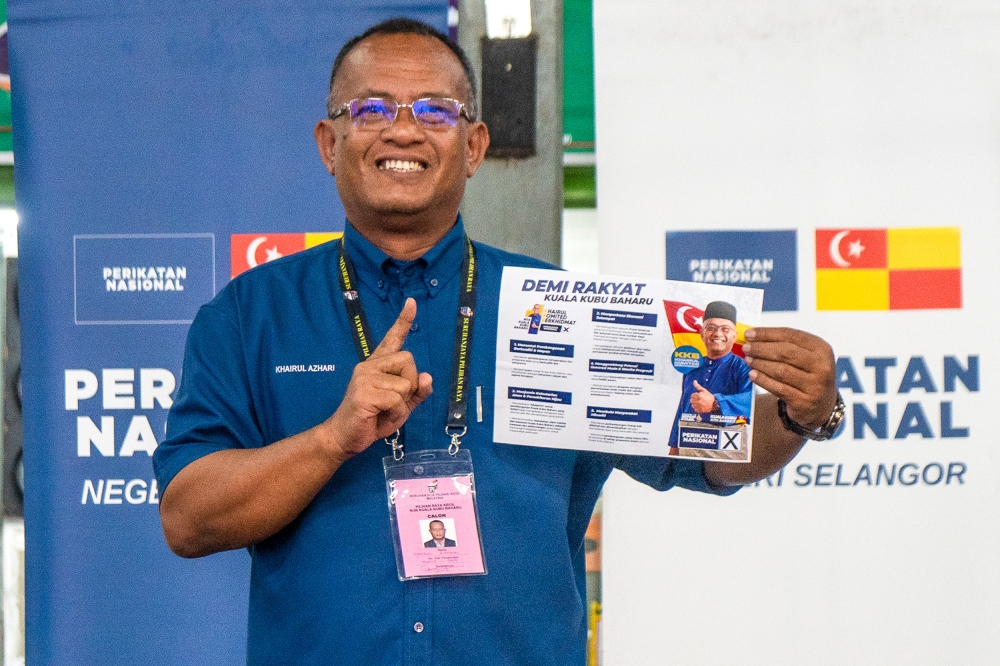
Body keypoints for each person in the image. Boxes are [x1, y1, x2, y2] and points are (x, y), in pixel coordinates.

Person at [153, 17, 839, 666]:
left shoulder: (573, 312)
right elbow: (188, 518)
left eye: (434, 110)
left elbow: (713, 459)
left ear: (474, 145)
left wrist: (802, 415)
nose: (403, 131)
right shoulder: (248, 315)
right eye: (369, 110)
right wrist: (332, 438)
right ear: (329, 145)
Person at [668, 300, 752, 452]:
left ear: (734, 336)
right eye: (711, 328)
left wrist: (716, 403)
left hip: (724, 452)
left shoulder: (744, 368)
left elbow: (751, 403)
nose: (718, 333)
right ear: (702, 334)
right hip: (689, 447)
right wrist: (674, 446)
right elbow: (683, 407)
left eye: (725, 329)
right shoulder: (693, 367)